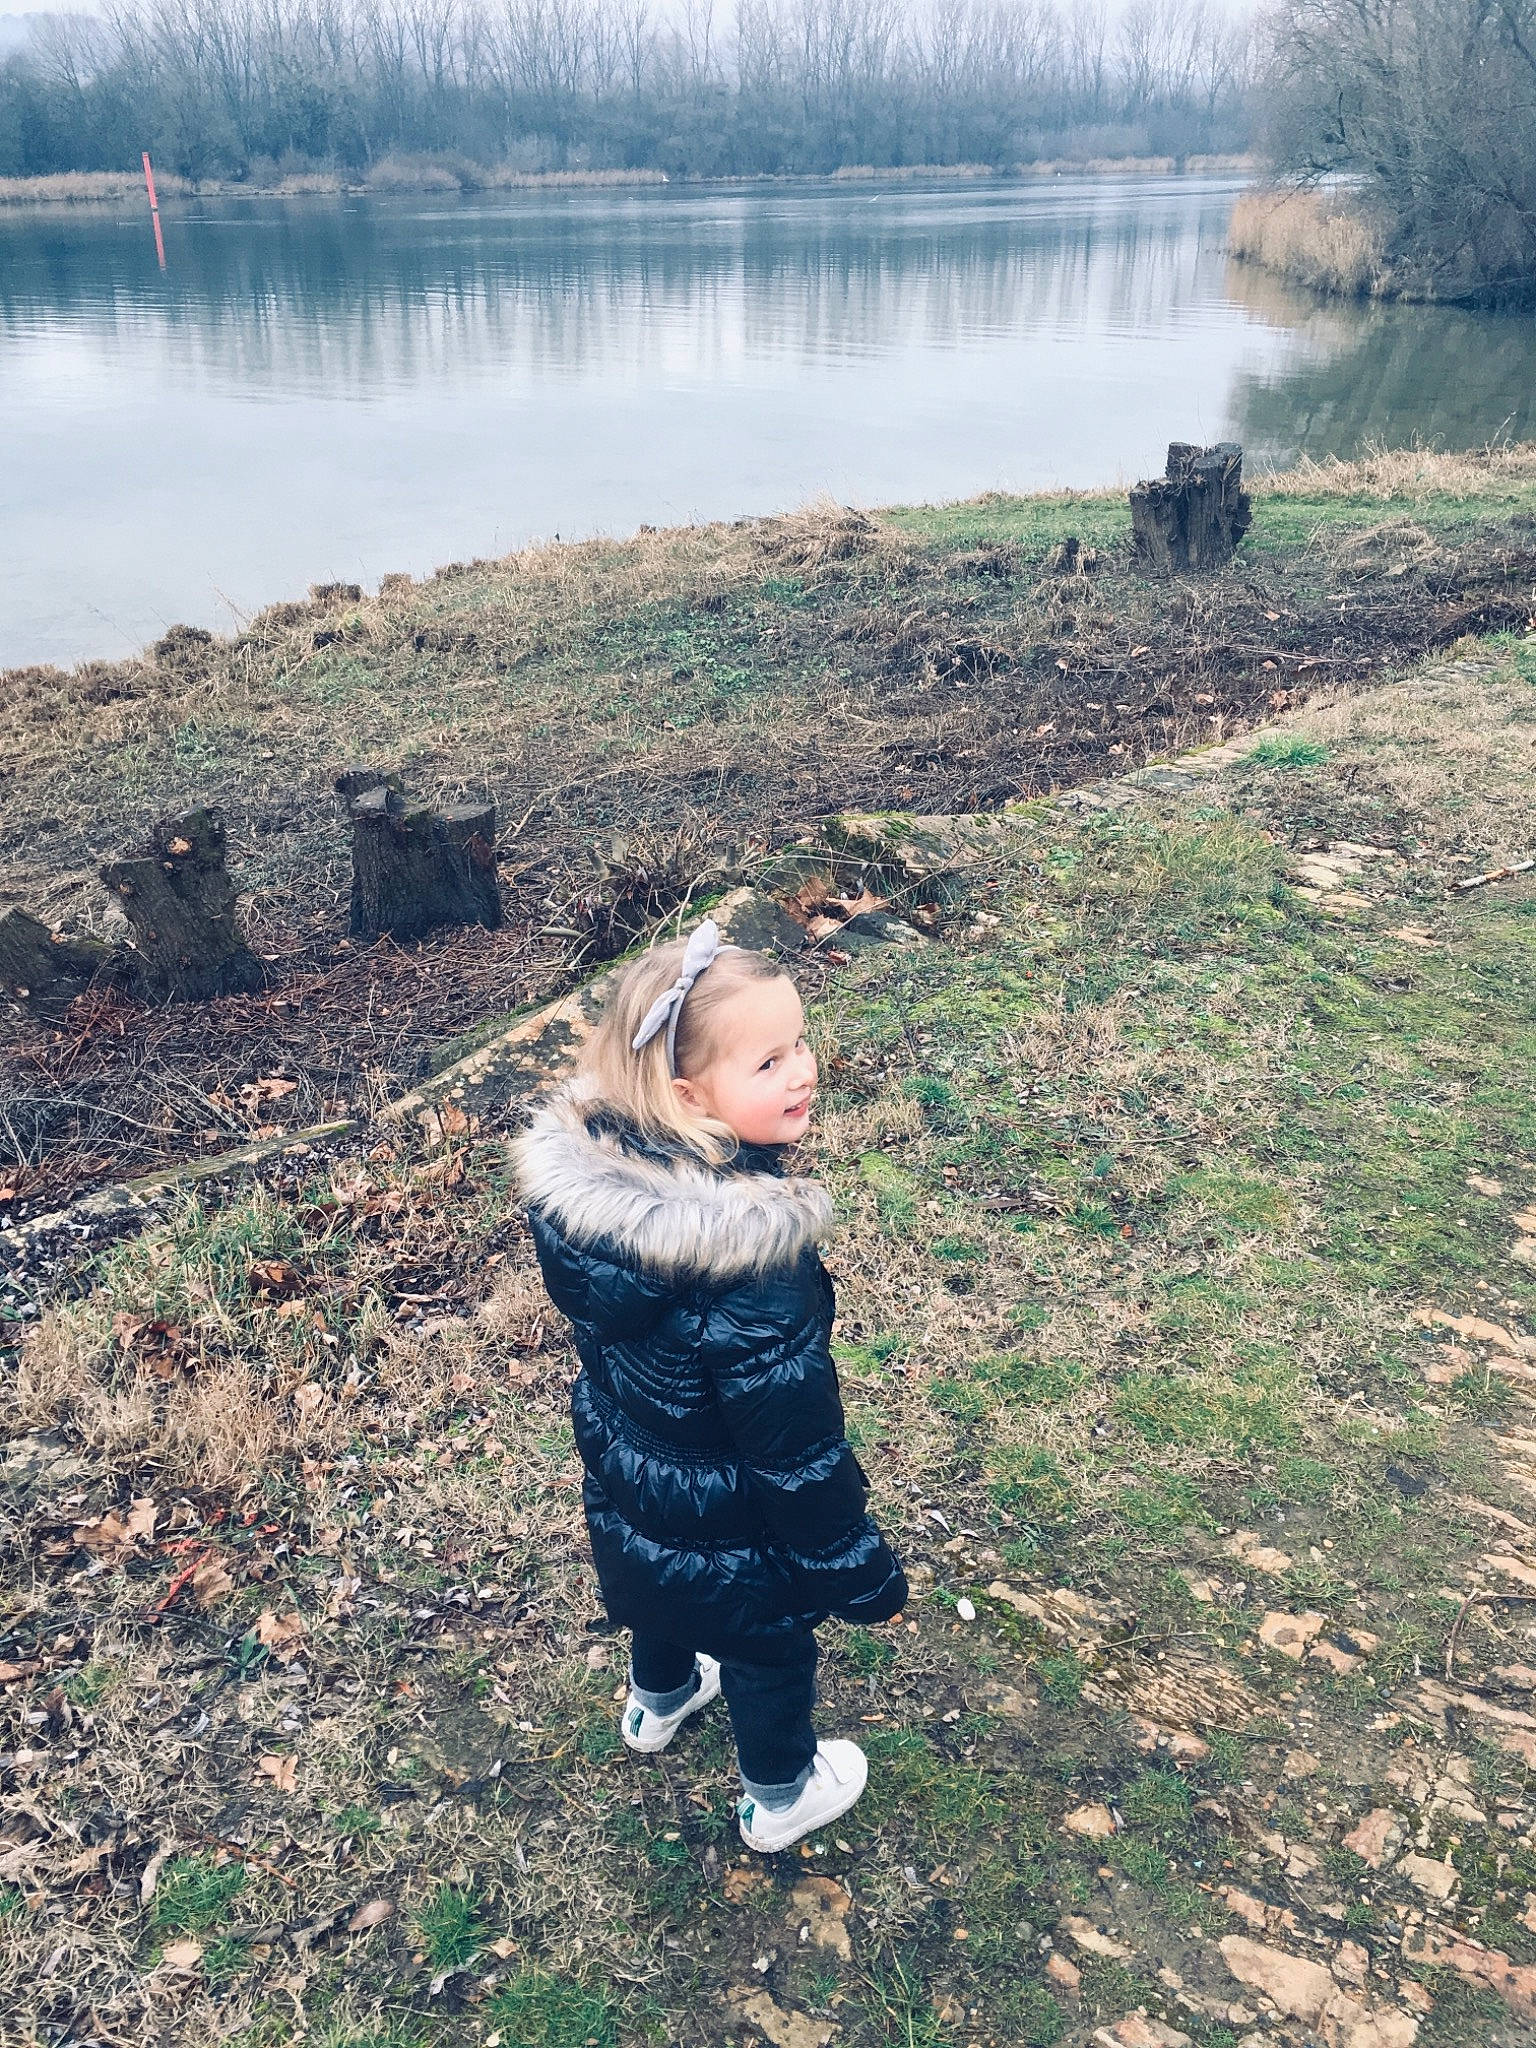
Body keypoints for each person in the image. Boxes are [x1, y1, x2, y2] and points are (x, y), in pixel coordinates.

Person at [514, 918, 908, 1852]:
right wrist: (851, 1563)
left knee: (658, 1585)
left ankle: (658, 1702)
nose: (805, 1070)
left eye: (801, 1042)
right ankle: (781, 1797)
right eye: (769, 1063)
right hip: (733, 1510)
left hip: (634, 1474)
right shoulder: (753, 1266)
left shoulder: (600, 1210)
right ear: (688, 1094)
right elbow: (796, 1447)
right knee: (766, 1645)